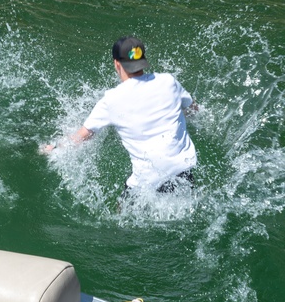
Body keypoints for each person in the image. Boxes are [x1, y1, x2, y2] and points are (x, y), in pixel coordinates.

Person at [42, 37, 198, 194]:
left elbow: (82, 136)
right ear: (143, 60)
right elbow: (193, 110)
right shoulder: (168, 81)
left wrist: (54, 148)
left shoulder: (111, 100)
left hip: (147, 183)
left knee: (121, 210)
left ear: (116, 63)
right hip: (183, 171)